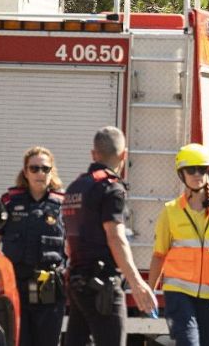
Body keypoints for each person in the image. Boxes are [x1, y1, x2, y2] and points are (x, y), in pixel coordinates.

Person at [62, 127, 157, 346]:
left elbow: (69, 239)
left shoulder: (75, 187)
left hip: (77, 284)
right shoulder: (111, 188)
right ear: (124, 155)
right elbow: (116, 237)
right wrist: (137, 283)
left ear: (93, 154)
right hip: (103, 285)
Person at [148, 144, 209, 346]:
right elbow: (159, 255)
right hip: (178, 292)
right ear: (182, 174)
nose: (197, 174)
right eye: (191, 170)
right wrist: (149, 292)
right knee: (189, 343)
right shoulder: (170, 211)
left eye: (202, 169)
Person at [2, 147, 68, 346]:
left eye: (45, 169)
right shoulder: (10, 202)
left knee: (46, 341)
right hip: (16, 282)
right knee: (19, 340)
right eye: (34, 168)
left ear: (52, 171)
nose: (40, 173)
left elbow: (74, 245)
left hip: (47, 284)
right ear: (25, 172)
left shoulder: (63, 205)